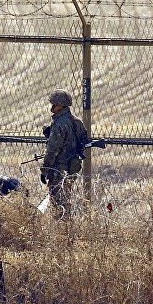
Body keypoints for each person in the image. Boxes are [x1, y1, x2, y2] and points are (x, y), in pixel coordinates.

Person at [41, 89, 90, 217]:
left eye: (54, 104)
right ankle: (66, 229)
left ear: (60, 105)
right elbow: (83, 141)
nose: (52, 108)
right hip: (72, 168)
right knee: (65, 200)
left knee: (58, 204)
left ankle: (62, 231)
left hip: (58, 170)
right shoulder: (76, 122)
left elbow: (52, 150)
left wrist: (45, 170)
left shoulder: (59, 124)